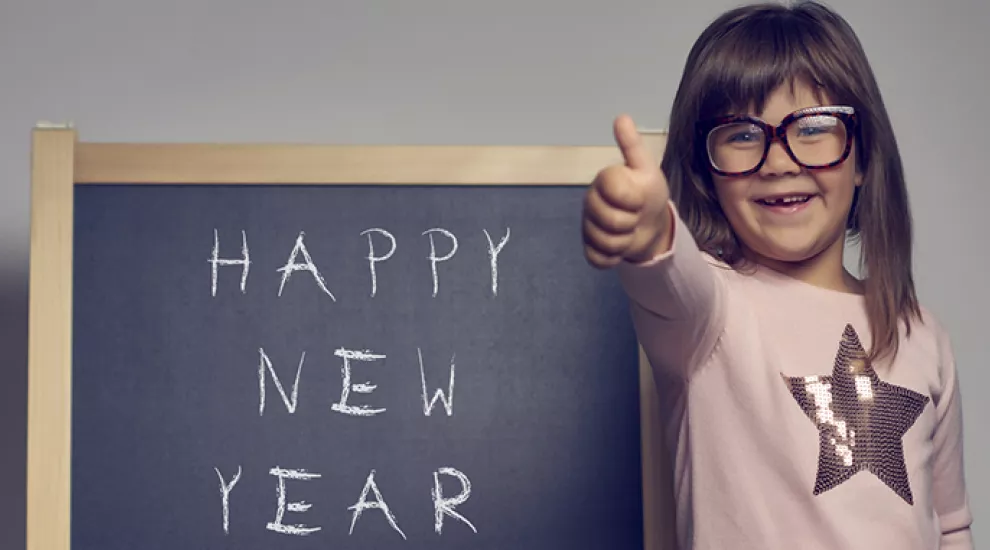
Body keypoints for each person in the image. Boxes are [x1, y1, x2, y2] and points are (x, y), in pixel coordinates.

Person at [581, 1, 973, 549]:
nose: (778, 160)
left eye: (814, 126)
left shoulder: (923, 336)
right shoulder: (708, 314)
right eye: (741, 135)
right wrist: (649, 230)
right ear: (705, 172)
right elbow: (668, 273)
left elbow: (951, 525)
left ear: (862, 159)